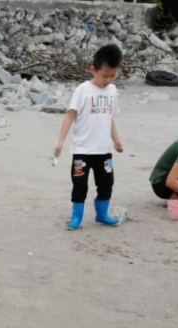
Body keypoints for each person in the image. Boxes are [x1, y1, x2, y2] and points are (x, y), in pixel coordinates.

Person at [54, 44, 124, 231]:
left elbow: (109, 118)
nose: (108, 79)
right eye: (105, 75)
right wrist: (60, 141)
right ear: (93, 69)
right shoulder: (83, 90)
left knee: (106, 183)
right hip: (82, 150)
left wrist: (116, 139)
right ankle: (76, 217)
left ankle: (102, 214)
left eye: (113, 75)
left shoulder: (112, 91)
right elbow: (70, 115)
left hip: (104, 150)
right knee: (79, 184)